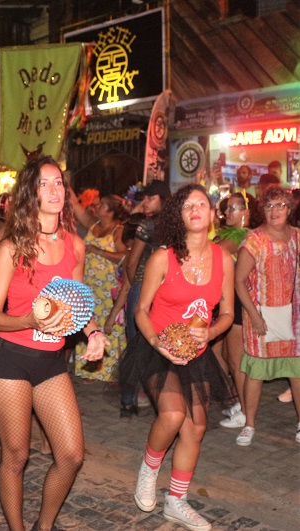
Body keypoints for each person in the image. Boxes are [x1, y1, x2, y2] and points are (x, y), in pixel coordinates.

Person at [0, 155, 108, 531]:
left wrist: (93, 332)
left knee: (70, 455)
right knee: (17, 455)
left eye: (59, 183)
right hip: (11, 361)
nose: (54, 190)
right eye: (44, 183)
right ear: (29, 193)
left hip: (52, 362)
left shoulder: (75, 246)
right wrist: (30, 320)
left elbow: (79, 304)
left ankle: (44, 525)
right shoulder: (11, 247)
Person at [122, 183, 234, 531]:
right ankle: (148, 469)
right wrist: (156, 342)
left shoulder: (223, 259)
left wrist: (211, 333)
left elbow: (228, 313)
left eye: (201, 203)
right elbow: (140, 309)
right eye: (187, 206)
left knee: (196, 426)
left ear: (212, 214)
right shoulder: (162, 257)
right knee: (172, 415)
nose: (195, 209)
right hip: (157, 349)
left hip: (197, 353)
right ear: (179, 217)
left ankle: (176, 501)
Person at [234, 185, 300, 446]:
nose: (275, 211)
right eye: (270, 206)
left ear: (289, 208)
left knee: (296, 372)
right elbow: (239, 282)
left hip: (293, 318)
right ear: (262, 210)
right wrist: (255, 316)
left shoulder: (297, 237)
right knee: (256, 373)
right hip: (260, 315)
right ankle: (249, 424)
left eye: (281, 205)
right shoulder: (254, 240)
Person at [106, 179, 171, 416]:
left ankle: (129, 400)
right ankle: (156, 400)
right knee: (154, 343)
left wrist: (137, 286)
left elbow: (132, 262)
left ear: (163, 199)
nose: (144, 203)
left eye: (149, 198)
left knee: (137, 343)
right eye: (143, 198)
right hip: (162, 289)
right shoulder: (171, 225)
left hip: (146, 287)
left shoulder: (151, 224)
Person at [70, 192, 127, 382]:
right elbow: (75, 205)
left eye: (103, 205)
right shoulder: (93, 224)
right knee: (87, 323)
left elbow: (125, 255)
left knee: (107, 328)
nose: (97, 207)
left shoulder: (118, 230)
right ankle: (89, 368)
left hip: (107, 288)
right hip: (88, 284)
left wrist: (99, 251)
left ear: (111, 212)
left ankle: (107, 371)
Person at [213, 192, 258, 429]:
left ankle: (243, 409)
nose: (227, 213)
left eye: (233, 209)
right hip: (225, 300)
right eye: (227, 209)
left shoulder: (240, 236)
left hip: (237, 302)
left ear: (246, 213)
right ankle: (235, 402)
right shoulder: (230, 234)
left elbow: (211, 251)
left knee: (236, 360)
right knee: (219, 354)